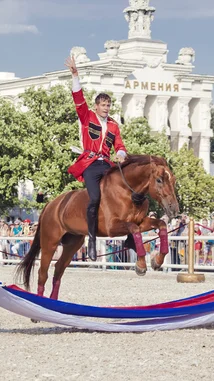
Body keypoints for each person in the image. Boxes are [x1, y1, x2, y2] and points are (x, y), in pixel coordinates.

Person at [65, 54, 127, 261]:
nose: (106, 108)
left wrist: (120, 154)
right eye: (103, 105)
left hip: (107, 164)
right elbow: (78, 99)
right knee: (94, 199)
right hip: (90, 163)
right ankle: (91, 238)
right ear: (96, 106)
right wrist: (75, 75)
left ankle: (130, 231)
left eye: (108, 105)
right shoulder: (87, 116)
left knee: (126, 189)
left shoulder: (114, 125)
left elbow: (119, 145)